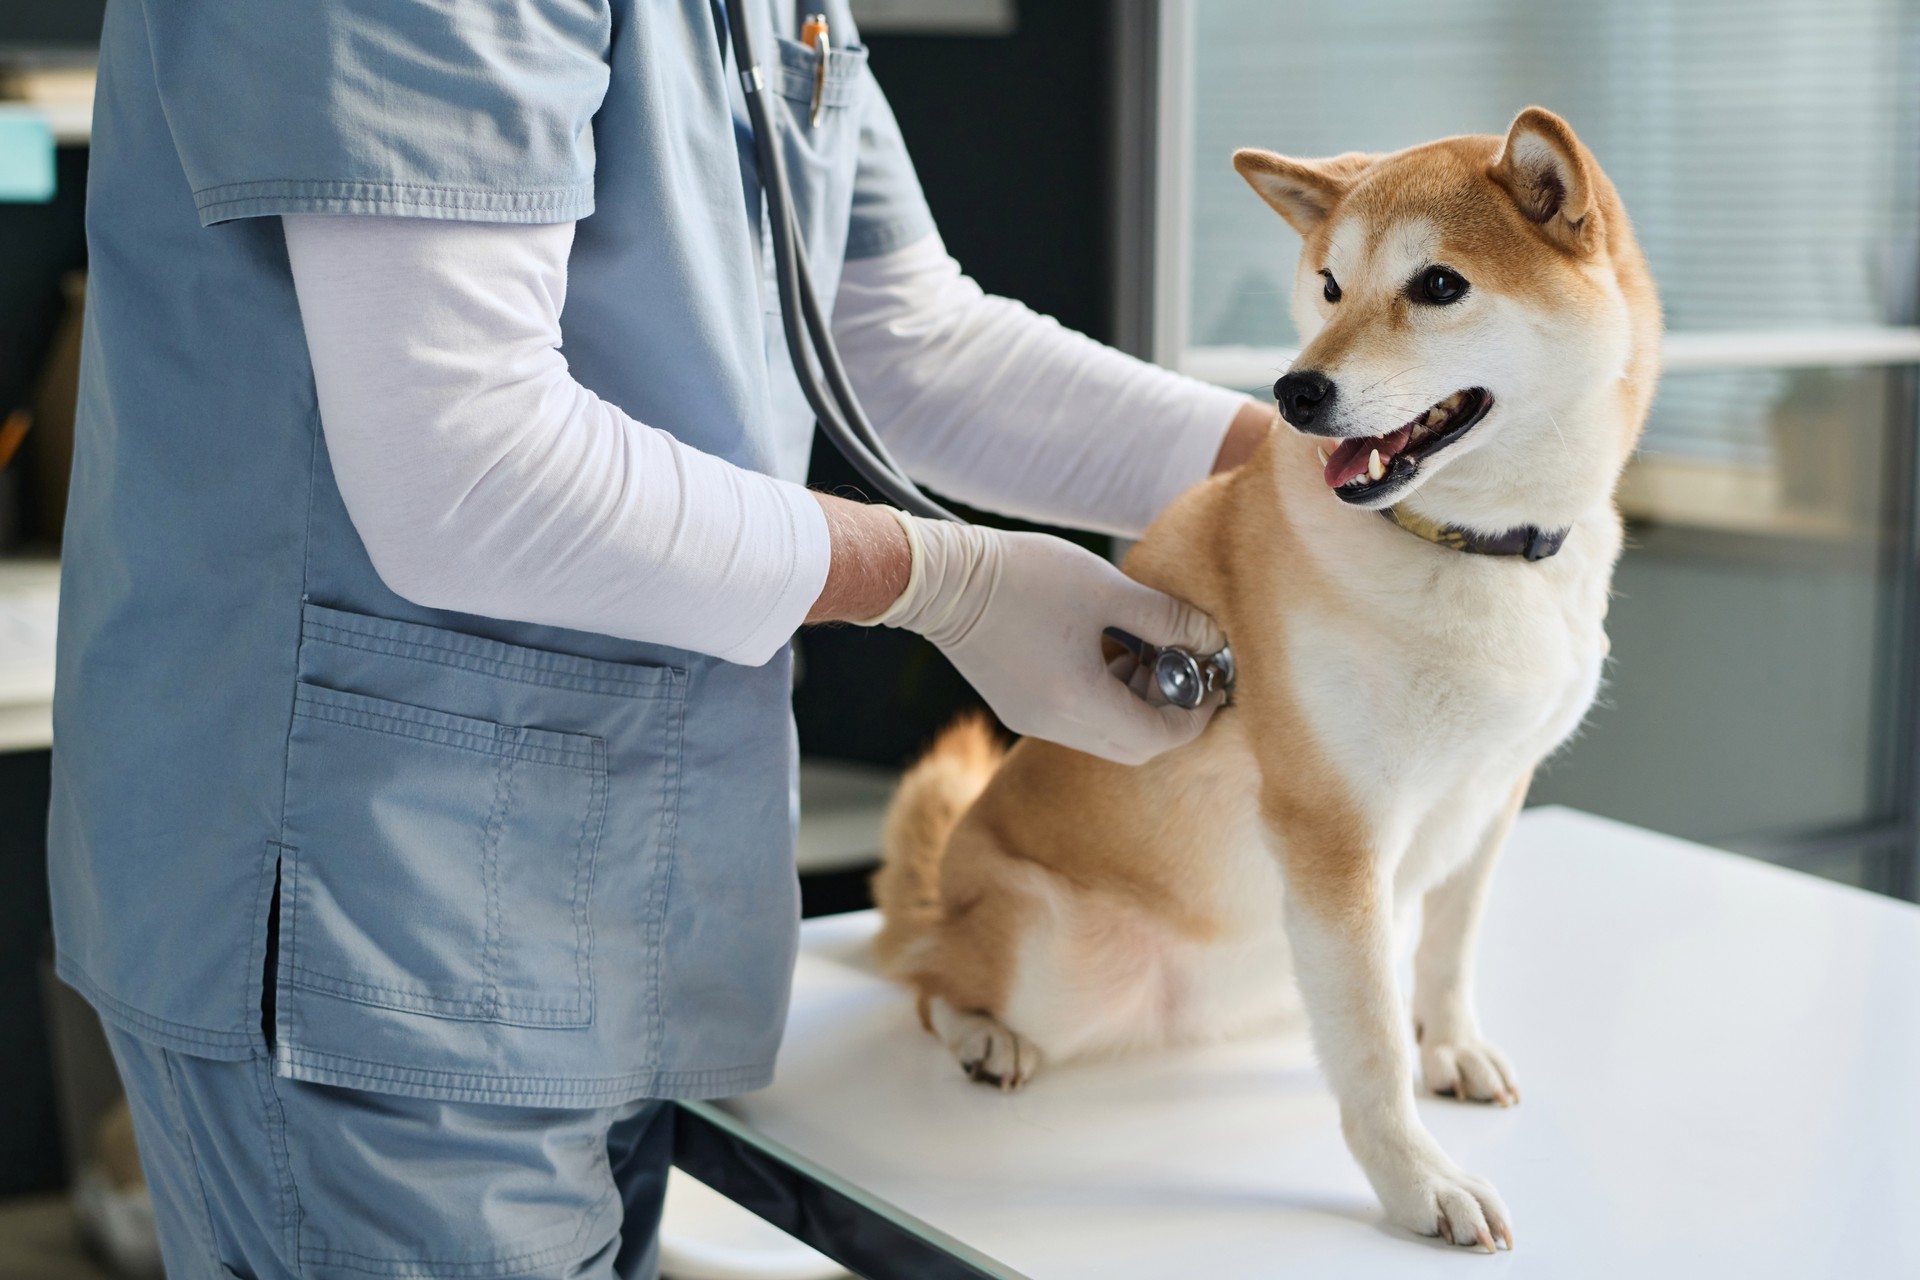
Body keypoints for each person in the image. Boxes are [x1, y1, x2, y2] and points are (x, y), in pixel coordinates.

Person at [48, 3, 1273, 1276]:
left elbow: (896, 338)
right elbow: (465, 470)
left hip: (602, 895)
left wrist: (1309, 468)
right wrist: (945, 579)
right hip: (372, 906)